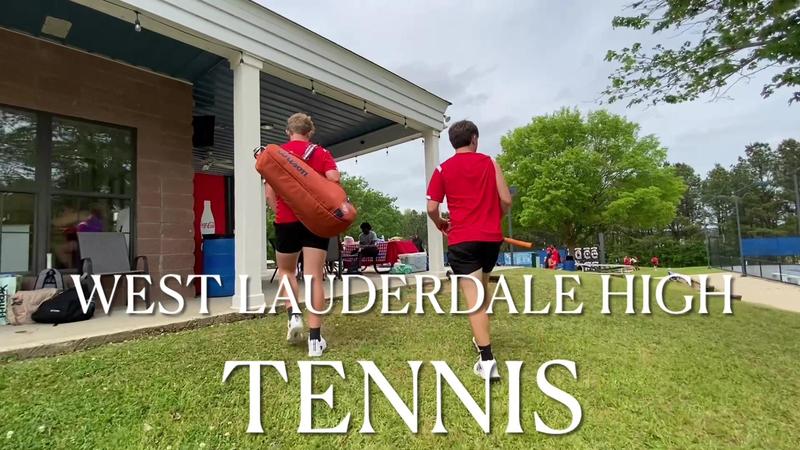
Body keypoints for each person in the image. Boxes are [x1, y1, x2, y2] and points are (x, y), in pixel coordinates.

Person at [426, 119, 512, 381]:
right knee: (482, 288)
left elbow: (431, 207)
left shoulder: (443, 169)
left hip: (462, 239)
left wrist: (440, 223)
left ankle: (487, 361)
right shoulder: (489, 162)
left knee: (475, 300)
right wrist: (494, 217)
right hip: (490, 238)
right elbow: (506, 199)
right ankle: (480, 338)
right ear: (474, 138)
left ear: (453, 142)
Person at [265, 113, 339, 357]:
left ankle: (294, 315)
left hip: (286, 220)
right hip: (315, 221)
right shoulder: (322, 154)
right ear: (310, 132)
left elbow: (270, 193)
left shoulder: (277, 154)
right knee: (314, 276)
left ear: (288, 131)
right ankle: (315, 341)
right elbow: (334, 180)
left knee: (286, 271)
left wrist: (280, 211)